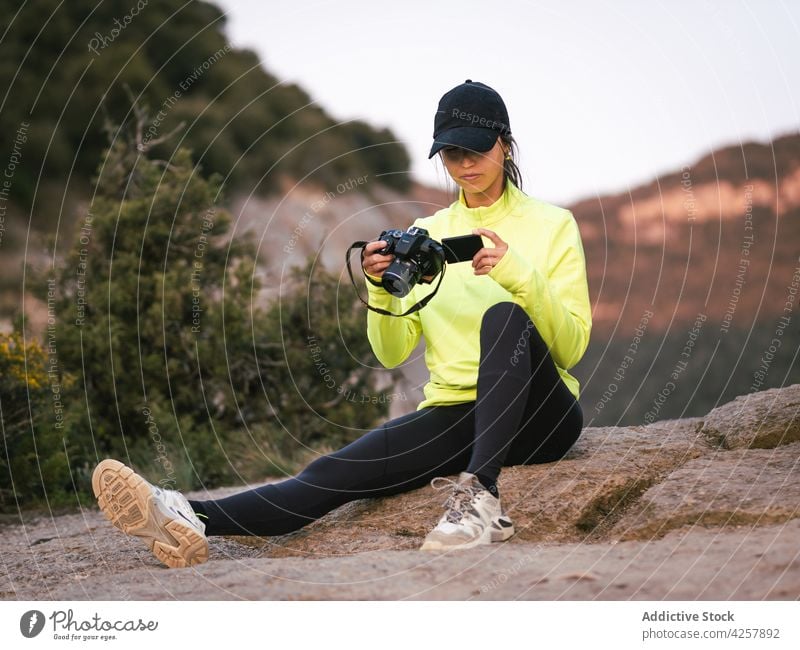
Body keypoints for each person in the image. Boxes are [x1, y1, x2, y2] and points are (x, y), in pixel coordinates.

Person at [92, 80, 592, 568]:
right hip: (458, 413)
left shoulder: (553, 225)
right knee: (334, 471)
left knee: (502, 316)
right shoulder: (426, 236)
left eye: (476, 151)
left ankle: (480, 498)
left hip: (541, 413)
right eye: (451, 154)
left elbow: (569, 348)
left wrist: (516, 273)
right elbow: (392, 353)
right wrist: (380, 288)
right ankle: (186, 515)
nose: (464, 166)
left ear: (506, 143)